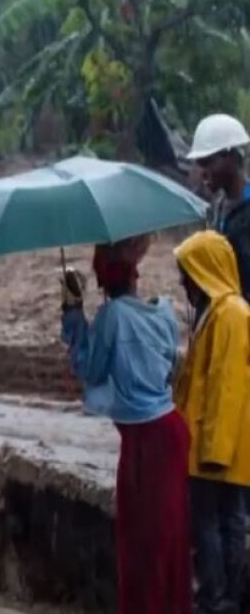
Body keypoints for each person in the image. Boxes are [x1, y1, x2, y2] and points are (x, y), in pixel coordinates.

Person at [60, 237, 191, 614]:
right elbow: (167, 365)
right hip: (168, 431)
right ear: (135, 274)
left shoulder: (112, 317)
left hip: (146, 442)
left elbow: (90, 369)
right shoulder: (163, 311)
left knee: (142, 542)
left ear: (102, 281)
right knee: (169, 537)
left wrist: (73, 314)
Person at [174, 230, 250, 614]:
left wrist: (214, 450)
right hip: (210, 441)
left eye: (187, 273)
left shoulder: (231, 314)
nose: (183, 282)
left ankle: (220, 597)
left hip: (218, 446)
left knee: (217, 522)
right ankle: (222, 595)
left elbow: (227, 385)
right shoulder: (215, 314)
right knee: (223, 519)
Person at [189, 113, 250, 295]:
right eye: (199, 164)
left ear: (231, 157)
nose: (202, 173)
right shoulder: (218, 208)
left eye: (207, 163)